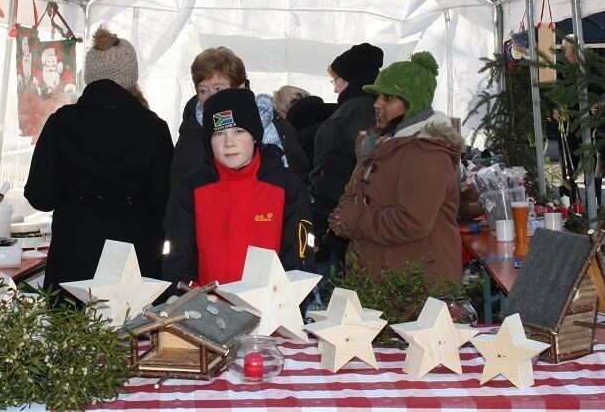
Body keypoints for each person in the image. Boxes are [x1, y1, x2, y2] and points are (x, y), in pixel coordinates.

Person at [24, 27, 173, 295]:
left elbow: (40, 196)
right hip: (134, 261)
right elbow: (164, 205)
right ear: (131, 77)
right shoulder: (153, 128)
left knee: (69, 336)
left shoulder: (61, 123)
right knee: (132, 334)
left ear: (89, 76)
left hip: (73, 259)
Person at [327, 51, 463, 285]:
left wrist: (353, 219)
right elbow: (351, 195)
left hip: (413, 284)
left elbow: (412, 222)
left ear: (412, 104)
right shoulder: (374, 145)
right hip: (378, 275)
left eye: (388, 98)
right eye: (378, 96)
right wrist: (343, 215)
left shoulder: (427, 153)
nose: (378, 104)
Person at [163, 88, 312, 285]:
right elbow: (177, 253)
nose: (229, 142)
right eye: (218, 134)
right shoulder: (191, 188)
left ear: (255, 136)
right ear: (209, 141)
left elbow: (299, 255)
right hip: (205, 307)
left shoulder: (285, 186)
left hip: (268, 307)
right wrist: (186, 293)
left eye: (239, 131)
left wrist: (285, 301)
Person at [169, 47, 308, 190]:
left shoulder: (274, 121)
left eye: (218, 89)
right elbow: (182, 192)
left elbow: (299, 171)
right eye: (203, 91)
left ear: (240, 88)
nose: (211, 97)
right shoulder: (193, 134)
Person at [309, 42, 383, 273]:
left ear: (350, 79)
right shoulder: (386, 109)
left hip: (346, 226)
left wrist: (323, 229)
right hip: (378, 224)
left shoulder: (347, 115)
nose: (334, 89)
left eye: (336, 81)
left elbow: (327, 174)